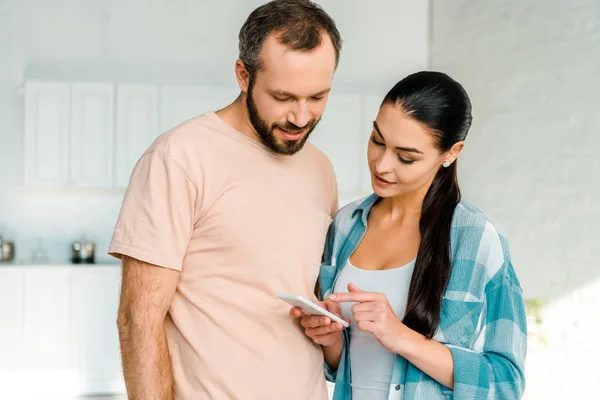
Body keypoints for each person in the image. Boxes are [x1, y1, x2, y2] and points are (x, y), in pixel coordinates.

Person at [109, 1, 342, 399]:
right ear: (243, 75)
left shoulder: (320, 167)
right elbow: (138, 318)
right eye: (283, 97)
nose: (301, 118)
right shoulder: (179, 157)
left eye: (317, 97)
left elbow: (313, 299)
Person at [291, 71, 527, 399]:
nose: (382, 164)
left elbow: (505, 383)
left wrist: (400, 336)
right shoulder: (346, 224)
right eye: (376, 140)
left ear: (451, 152)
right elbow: (345, 366)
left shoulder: (477, 239)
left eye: (405, 157)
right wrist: (330, 341)